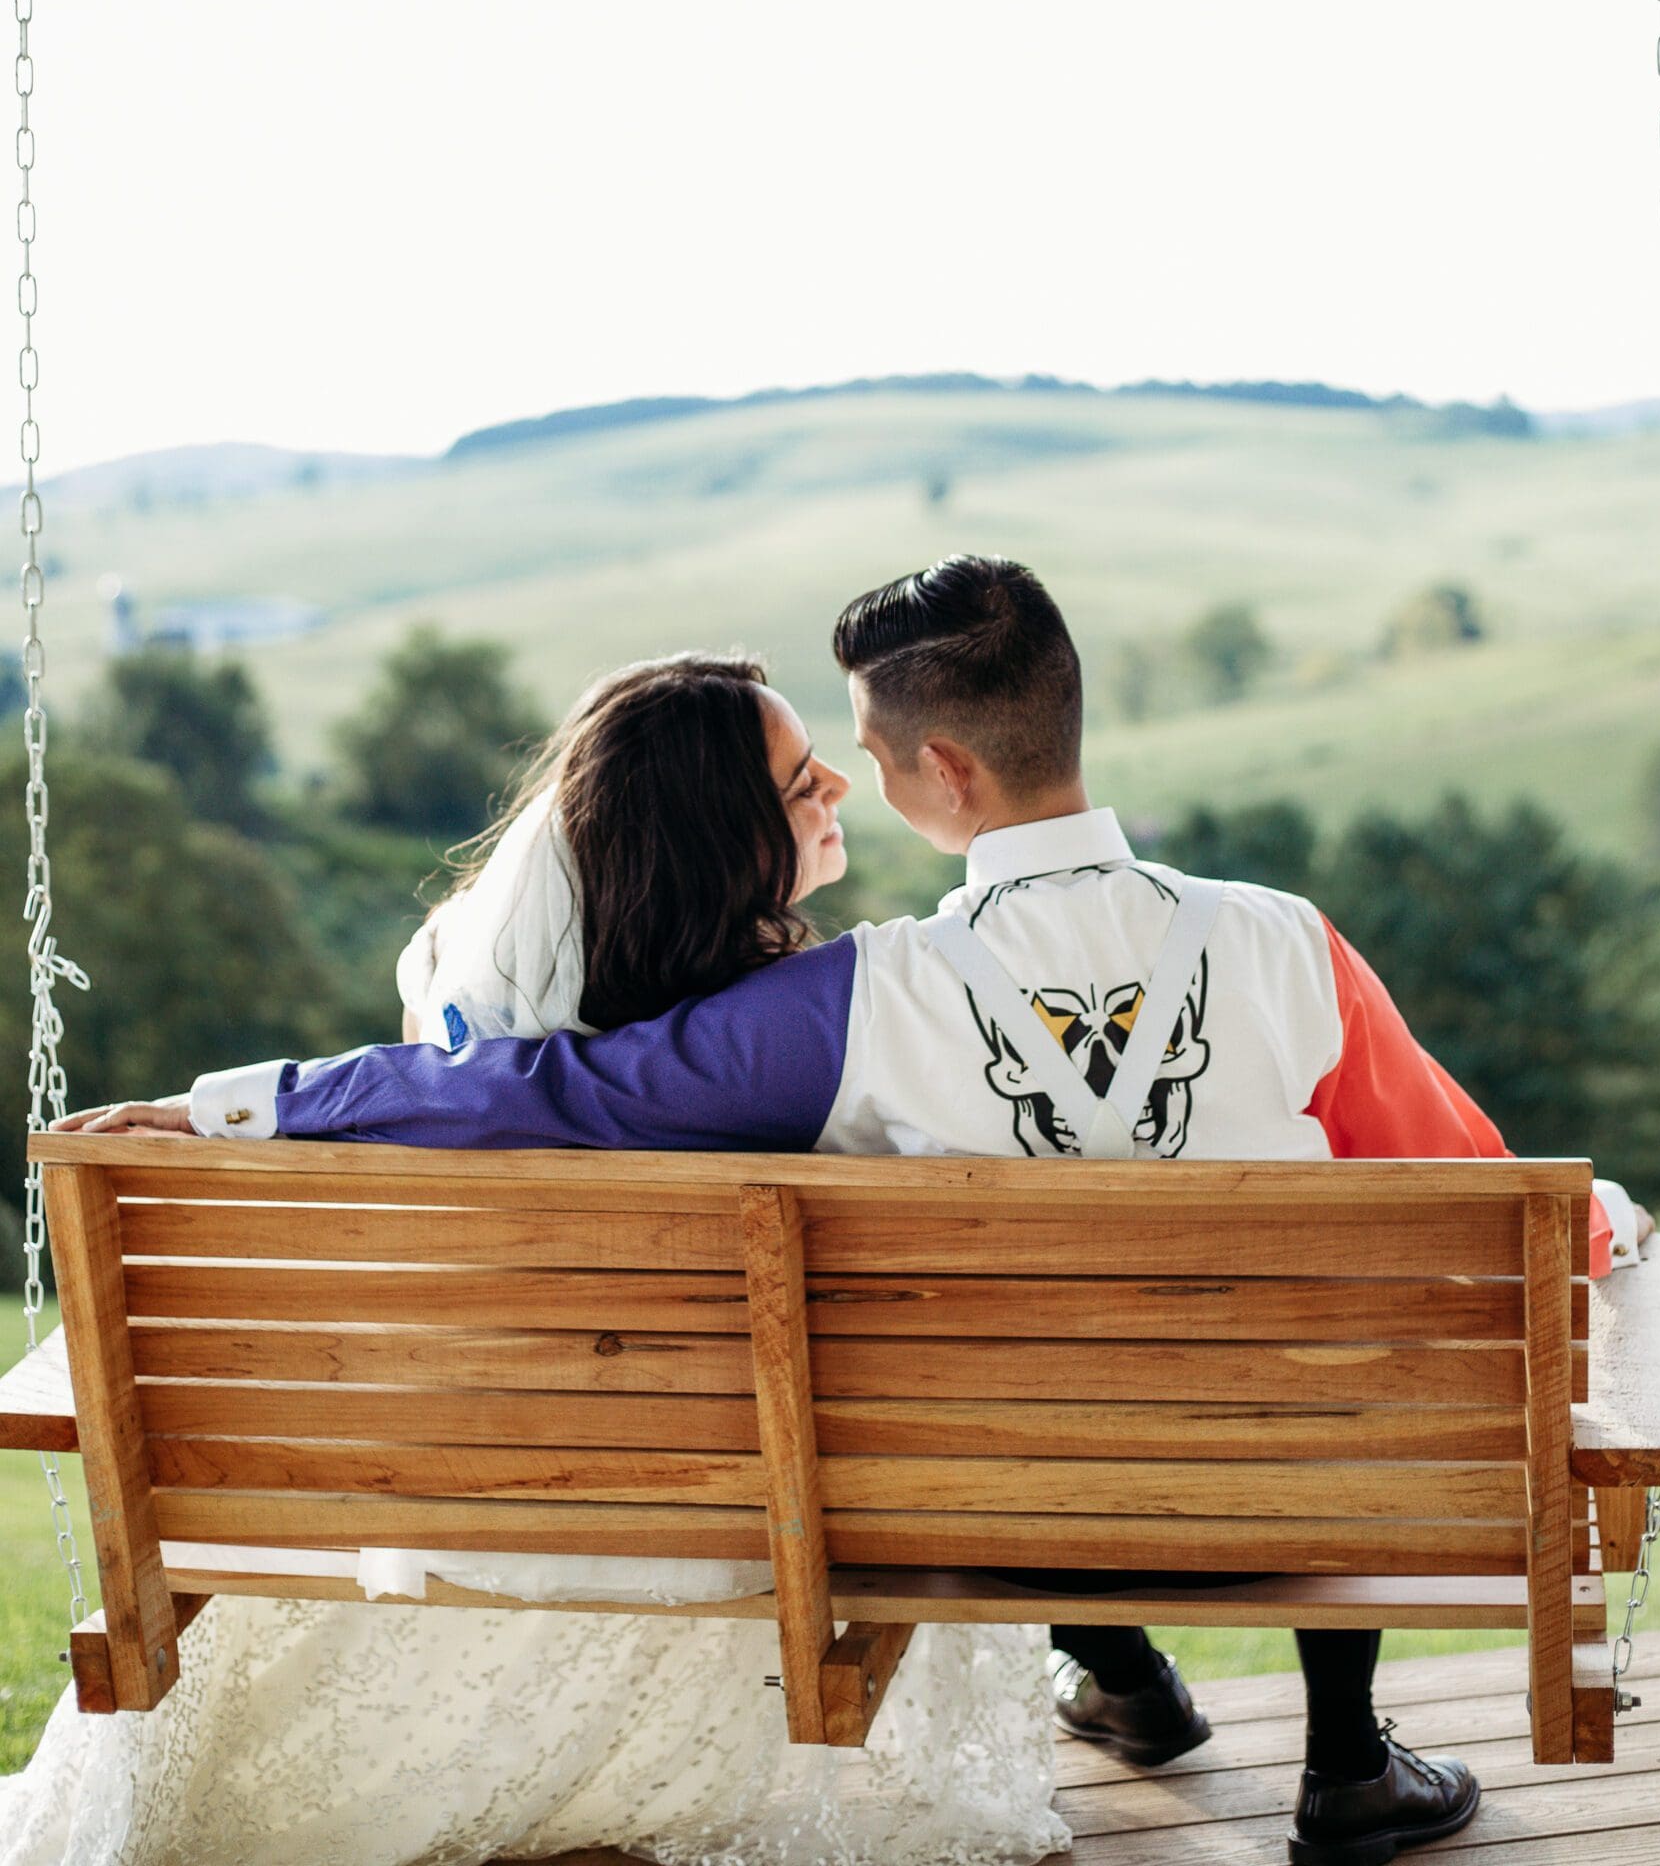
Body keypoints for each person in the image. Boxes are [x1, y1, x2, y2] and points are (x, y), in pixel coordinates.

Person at [72, 558, 1649, 1866]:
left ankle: (1120, 1685)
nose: (853, 781)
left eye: (870, 756)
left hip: (990, 1502)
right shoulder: (1290, 947)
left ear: (938, 775)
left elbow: (545, 1093)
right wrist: (1612, 1249)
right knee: (1322, 1345)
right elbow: (1465, 1183)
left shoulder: (851, 1001)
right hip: (1298, 1479)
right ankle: (1346, 1768)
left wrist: (253, 1100)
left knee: (997, 1380)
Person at [13, 652, 1067, 1866]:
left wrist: (233, 1107)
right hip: (761, 1537)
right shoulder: (813, 1033)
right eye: (796, 776)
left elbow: (483, 1092)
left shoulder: (480, 1031)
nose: (835, 778)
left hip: (497, 1503)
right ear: (718, 838)